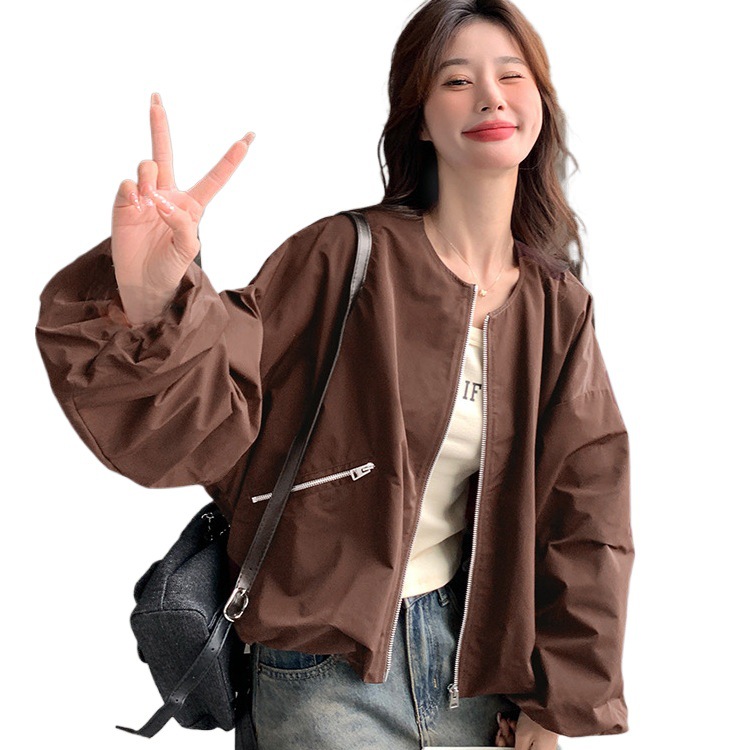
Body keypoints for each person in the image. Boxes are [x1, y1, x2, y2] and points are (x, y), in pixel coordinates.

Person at [35, 1, 633, 748]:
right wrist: (157, 299)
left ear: (539, 102)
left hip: (477, 673)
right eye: (457, 80)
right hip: (323, 669)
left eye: (511, 76)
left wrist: (554, 702)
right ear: (419, 120)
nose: (490, 96)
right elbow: (209, 418)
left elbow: (587, 517)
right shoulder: (342, 258)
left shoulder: (557, 307)